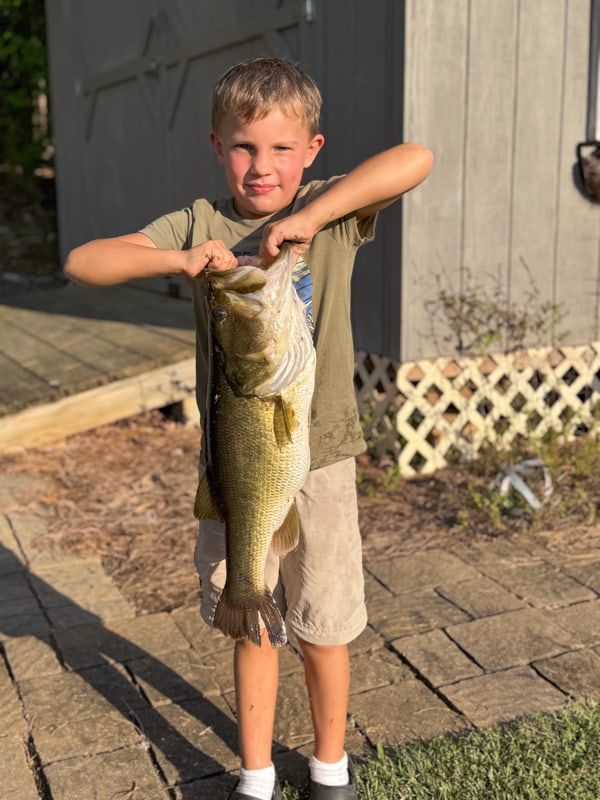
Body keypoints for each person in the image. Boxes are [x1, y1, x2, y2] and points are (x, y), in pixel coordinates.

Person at [64, 58, 433, 800]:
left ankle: (331, 767)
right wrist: (177, 258)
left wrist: (307, 218)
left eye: (280, 149)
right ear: (215, 144)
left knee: (325, 626)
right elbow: (82, 262)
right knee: (251, 621)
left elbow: (415, 159)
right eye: (242, 147)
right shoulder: (200, 224)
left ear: (312, 152)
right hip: (235, 468)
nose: (260, 166)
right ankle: (256, 774)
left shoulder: (328, 214)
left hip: (319, 457)